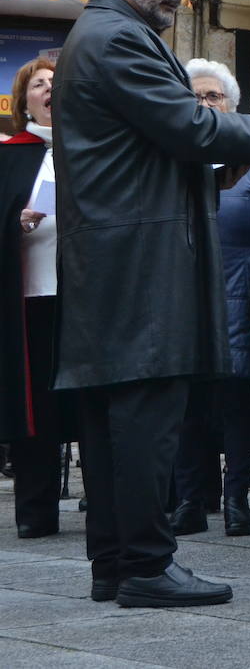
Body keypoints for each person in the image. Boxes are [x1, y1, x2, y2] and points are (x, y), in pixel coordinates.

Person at [52, 0, 250, 607]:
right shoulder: (118, 38)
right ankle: (146, 566)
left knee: (111, 422)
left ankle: (117, 565)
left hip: (112, 258)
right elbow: (189, 129)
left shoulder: (100, 35)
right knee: (144, 418)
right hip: (136, 262)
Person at [166, 61, 250, 539]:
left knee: (235, 403)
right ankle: (192, 499)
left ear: (232, 108)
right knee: (190, 404)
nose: (205, 104)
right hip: (184, 297)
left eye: (214, 97)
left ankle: (237, 500)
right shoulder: (173, 162)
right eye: (196, 97)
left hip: (238, 294)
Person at [1, 58, 76, 540]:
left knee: (87, 401)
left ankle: (105, 501)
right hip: (29, 296)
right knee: (36, 409)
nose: (49, 89)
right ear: (24, 98)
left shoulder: (88, 148)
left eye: (57, 83)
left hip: (84, 297)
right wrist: (13, 222)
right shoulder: (8, 153)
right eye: (40, 84)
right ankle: (35, 508)